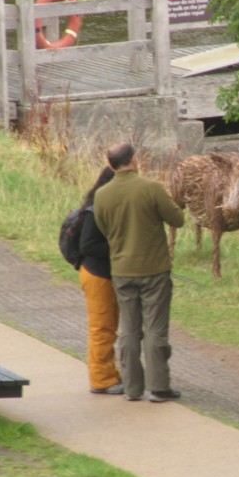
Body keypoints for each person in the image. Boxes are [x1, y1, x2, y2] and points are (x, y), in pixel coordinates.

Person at [94, 143, 185, 403]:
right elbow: (177, 220)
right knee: (155, 329)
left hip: (122, 270)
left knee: (129, 330)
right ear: (134, 160)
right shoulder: (151, 188)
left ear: (110, 165)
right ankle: (159, 387)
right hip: (154, 268)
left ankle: (133, 388)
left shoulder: (102, 195)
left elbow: (103, 228)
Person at [78, 166, 123, 395]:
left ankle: (110, 373)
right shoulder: (94, 210)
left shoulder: (104, 206)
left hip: (104, 274)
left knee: (110, 327)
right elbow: (87, 245)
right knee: (102, 328)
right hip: (97, 275)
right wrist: (118, 246)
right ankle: (101, 379)